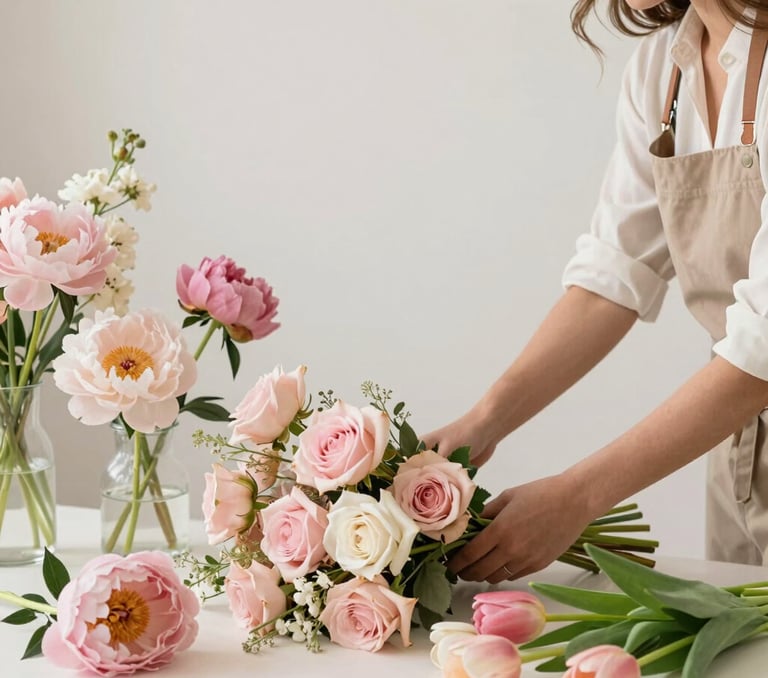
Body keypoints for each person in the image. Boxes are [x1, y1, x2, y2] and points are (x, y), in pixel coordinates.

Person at [423, 0, 768, 584]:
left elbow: (762, 346)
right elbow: (612, 276)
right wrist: (482, 422)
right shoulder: (663, 69)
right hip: (735, 445)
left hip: (741, 392)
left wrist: (577, 497)